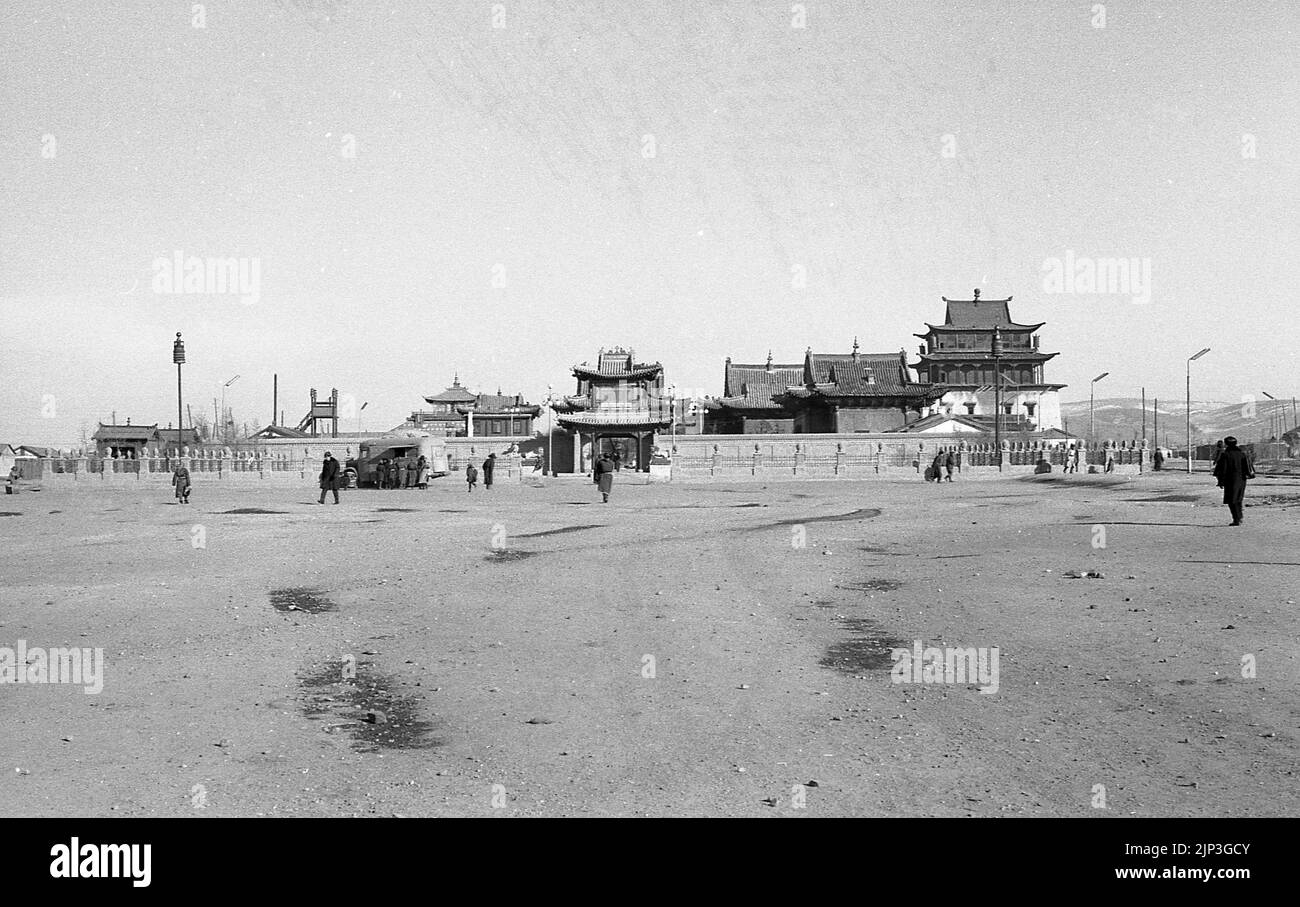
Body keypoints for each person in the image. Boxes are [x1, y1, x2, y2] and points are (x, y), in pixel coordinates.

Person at [1213, 436, 1255, 526]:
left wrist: (1220, 481)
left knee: (1231, 500)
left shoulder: (1226, 455)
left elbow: (1221, 469)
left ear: (1226, 444)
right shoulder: (1242, 454)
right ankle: (1239, 517)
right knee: (1238, 499)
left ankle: (1236, 519)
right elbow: (1247, 468)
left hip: (1230, 480)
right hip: (1242, 480)